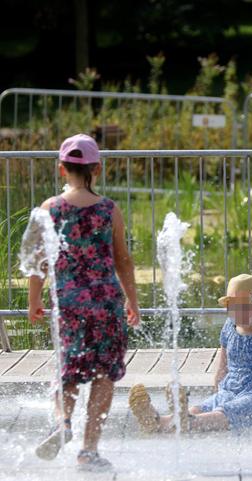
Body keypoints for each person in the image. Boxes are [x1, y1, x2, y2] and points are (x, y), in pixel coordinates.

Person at [28, 133, 141, 471]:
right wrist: (132, 300)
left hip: (69, 304)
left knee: (69, 370)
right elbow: (123, 259)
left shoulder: (50, 209)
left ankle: (63, 422)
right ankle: (88, 451)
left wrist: (34, 300)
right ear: (98, 169)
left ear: (62, 170)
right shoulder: (109, 209)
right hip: (106, 302)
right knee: (104, 375)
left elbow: (38, 260)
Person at [128, 274, 252, 432]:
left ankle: (186, 422)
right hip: (230, 391)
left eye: (245, 305)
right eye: (234, 306)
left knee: (225, 412)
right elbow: (221, 369)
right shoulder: (229, 327)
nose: (239, 312)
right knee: (204, 406)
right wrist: (217, 395)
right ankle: (158, 420)